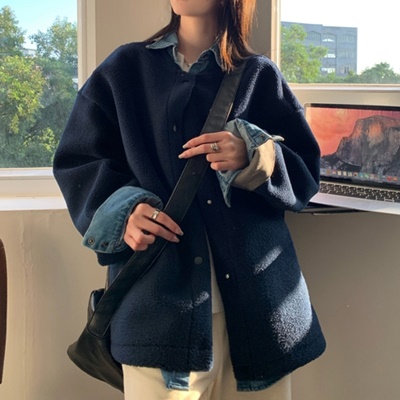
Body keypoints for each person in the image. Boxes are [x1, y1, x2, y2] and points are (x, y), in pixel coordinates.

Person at [53, 0, 326, 399]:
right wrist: (126, 212)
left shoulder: (259, 75)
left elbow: (305, 173)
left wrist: (252, 154)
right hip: (156, 316)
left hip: (261, 316)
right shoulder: (125, 70)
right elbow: (78, 161)